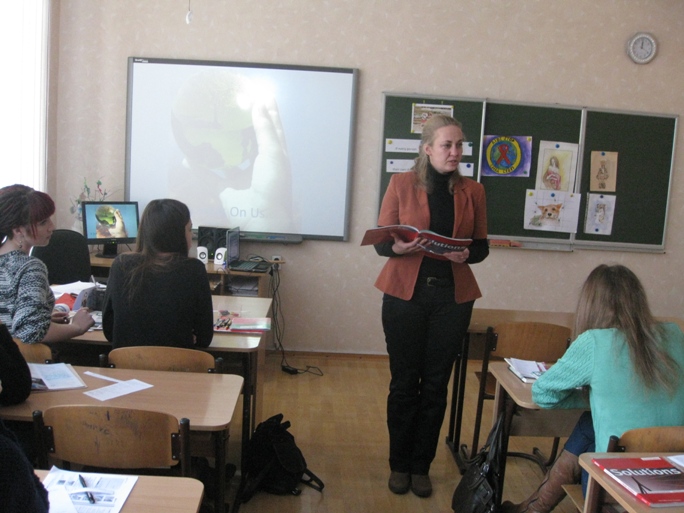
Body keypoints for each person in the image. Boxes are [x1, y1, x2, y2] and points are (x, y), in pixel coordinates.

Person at [502, 264, 684, 513]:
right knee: (589, 425)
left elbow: (542, 394)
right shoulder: (674, 334)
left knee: (591, 438)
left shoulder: (595, 341)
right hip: (675, 478)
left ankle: (534, 508)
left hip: (617, 489)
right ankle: (533, 508)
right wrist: (604, 397)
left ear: (591, 305)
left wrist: (592, 397)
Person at [372, 115, 489, 497]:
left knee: (436, 385)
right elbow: (381, 242)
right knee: (405, 383)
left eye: (459, 145)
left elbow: (482, 247)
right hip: (405, 295)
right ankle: (399, 465)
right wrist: (398, 246)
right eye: (446, 145)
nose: (455, 152)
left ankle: (421, 466)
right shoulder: (401, 183)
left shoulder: (473, 191)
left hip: (451, 299)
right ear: (427, 149)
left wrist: (466, 254)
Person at [102, 198, 214, 349]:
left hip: (128, 363)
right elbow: (204, 338)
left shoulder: (120, 265)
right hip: (179, 363)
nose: (192, 236)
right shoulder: (195, 269)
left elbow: (109, 331)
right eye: (189, 229)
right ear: (176, 234)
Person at [0, 184, 95, 344]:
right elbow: (30, 333)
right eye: (43, 222)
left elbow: (9, 318)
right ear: (18, 230)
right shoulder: (29, 268)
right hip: (18, 358)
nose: (52, 227)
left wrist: (42, 319)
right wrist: (77, 327)